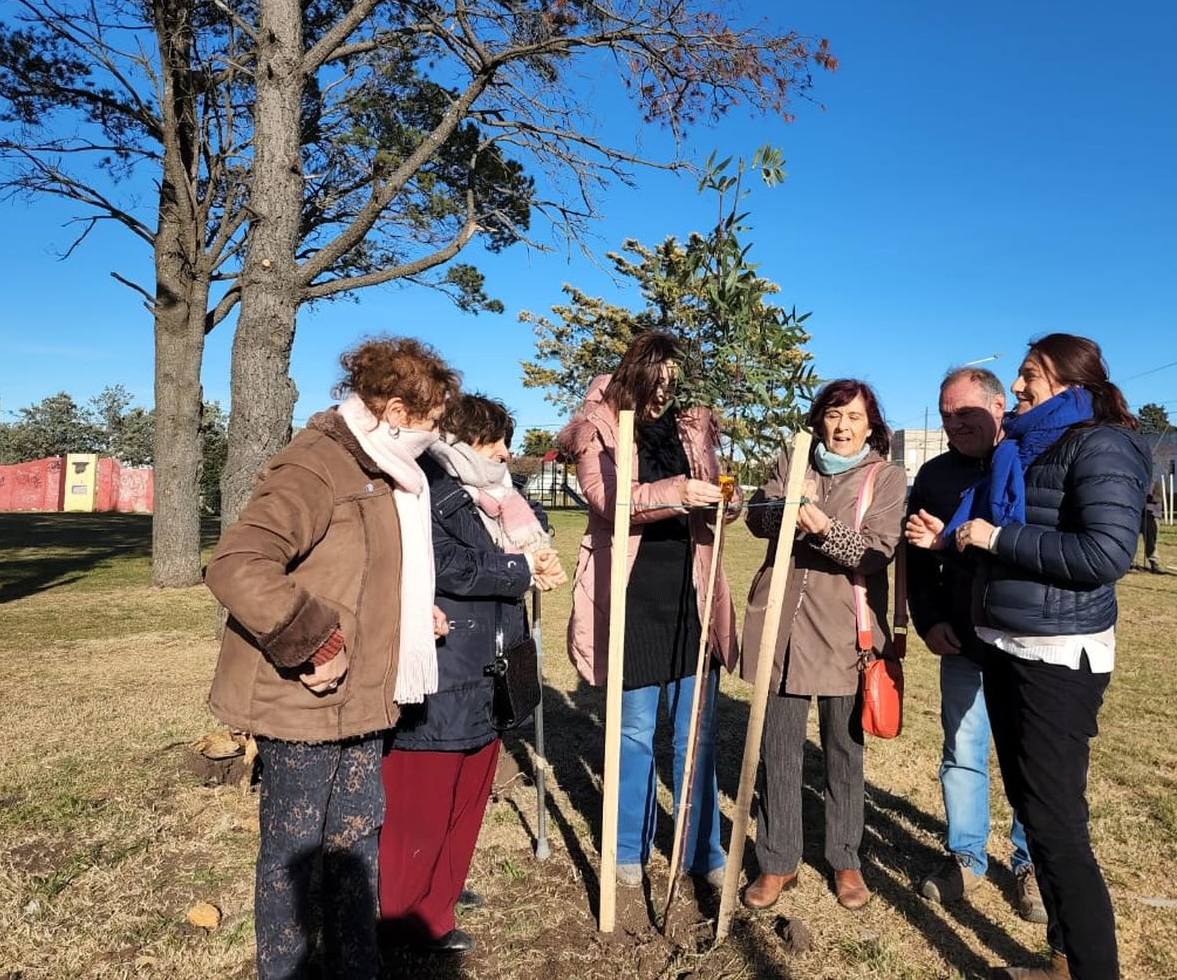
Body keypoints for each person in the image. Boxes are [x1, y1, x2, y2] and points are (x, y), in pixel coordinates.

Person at [205, 335, 459, 980]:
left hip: (363, 696)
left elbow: (360, 569)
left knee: (354, 843)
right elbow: (238, 565)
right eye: (432, 421)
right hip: (303, 696)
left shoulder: (384, 471)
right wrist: (316, 642)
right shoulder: (315, 467)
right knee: (295, 849)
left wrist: (405, 613)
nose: (437, 435)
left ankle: (357, 969)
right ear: (396, 411)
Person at [907, 334, 1150, 980]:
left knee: (1060, 832)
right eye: (1018, 376)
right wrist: (956, 541)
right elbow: (1005, 545)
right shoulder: (1028, 446)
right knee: (1040, 821)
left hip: (1056, 657)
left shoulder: (1100, 443)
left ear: (1072, 382)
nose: (1017, 387)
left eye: (1029, 375)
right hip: (1009, 645)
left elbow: (1105, 554)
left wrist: (998, 534)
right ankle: (1064, 964)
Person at [378, 394, 566, 954]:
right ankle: (407, 913)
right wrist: (519, 568)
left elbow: (516, 544)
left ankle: (443, 890)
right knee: (424, 797)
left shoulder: (496, 494)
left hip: (491, 664)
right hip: (444, 664)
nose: (506, 453)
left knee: (469, 788)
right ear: (458, 441)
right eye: (494, 441)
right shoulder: (425, 486)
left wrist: (538, 555)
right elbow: (445, 564)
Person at [558, 330, 737, 891]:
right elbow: (609, 501)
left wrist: (718, 503)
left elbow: (705, 498)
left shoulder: (694, 426)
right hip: (632, 596)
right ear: (634, 373)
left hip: (691, 592)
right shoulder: (599, 427)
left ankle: (700, 845)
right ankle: (627, 845)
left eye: (673, 383)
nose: (664, 394)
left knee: (697, 734)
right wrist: (679, 492)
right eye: (655, 382)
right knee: (634, 731)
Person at [740, 379, 906, 912]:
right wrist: (786, 505)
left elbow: (876, 552)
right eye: (834, 414)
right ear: (819, 419)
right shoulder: (794, 460)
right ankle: (777, 859)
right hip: (783, 630)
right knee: (779, 750)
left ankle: (844, 857)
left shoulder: (886, 477)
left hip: (845, 636)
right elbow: (757, 519)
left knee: (843, 752)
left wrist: (819, 523)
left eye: (854, 417)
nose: (842, 426)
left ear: (870, 425)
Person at [907, 367, 1045, 924]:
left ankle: (1031, 861)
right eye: (945, 415)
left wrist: (949, 542)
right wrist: (929, 618)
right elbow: (916, 559)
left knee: (1029, 754)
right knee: (962, 751)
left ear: (997, 406)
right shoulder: (934, 475)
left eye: (965, 412)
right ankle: (965, 857)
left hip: (1023, 636)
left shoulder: (1030, 462)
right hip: (961, 635)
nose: (954, 424)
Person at [1138, 483, 1162, 573]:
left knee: (1151, 540)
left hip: (1151, 514)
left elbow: (1158, 498)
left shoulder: (1155, 483)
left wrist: (1147, 498)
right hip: (1138, 513)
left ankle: (1154, 562)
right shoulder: (1137, 480)